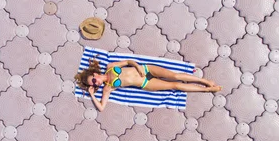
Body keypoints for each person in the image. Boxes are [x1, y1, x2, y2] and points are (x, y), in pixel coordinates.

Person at [74, 58, 222, 112]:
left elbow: (128, 62)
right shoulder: (108, 87)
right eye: (93, 84)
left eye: (93, 80)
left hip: (146, 69)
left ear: (94, 75)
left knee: (175, 76)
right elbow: (101, 108)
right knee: (175, 85)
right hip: (145, 83)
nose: (96, 83)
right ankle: (206, 90)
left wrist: (138, 67)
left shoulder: (110, 66)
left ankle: (205, 81)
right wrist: (92, 95)